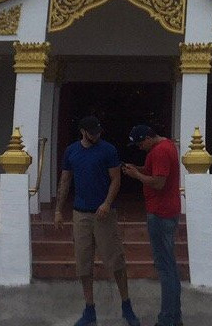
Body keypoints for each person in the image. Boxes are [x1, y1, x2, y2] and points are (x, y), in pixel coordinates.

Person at [55, 115, 140, 326]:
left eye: (98, 131)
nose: (96, 135)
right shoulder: (71, 151)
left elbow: (116, 179)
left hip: (104, 213)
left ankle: (126, 304)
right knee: (83, 263)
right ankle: (89, 308)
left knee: (116, 260)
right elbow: (65, 180)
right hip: (80, 212)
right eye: (92, 132)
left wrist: (107, 203)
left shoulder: (108, 150)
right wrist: (58, 210)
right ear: (83, 132)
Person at [122, 125, 182, 326]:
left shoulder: (160, 151)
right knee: (170, 268)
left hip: (161, 213)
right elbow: (153, 171)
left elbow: (158, 183)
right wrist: (136, 168)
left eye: (140, 143)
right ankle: (175, 317)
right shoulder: (166, 145)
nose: (139, 147)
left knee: (165, 268)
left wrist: (136, 176)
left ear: (148, 138)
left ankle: (166, 320)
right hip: (167, 211)